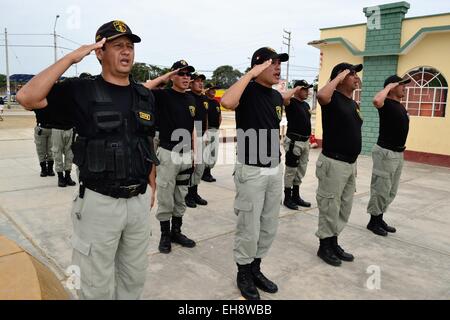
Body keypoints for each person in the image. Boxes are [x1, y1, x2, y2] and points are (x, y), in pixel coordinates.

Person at [17, 20, 158, 300]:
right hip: (99, 204)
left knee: (134, 277)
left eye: (129, 46)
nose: (126, 51)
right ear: (99, 52)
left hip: (139, 201)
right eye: (118, 46)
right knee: (94, 283)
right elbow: (27, 97)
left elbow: (146, 140)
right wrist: (71, 57)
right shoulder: (80, 91)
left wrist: (152, 184)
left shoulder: (144, 95)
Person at [221, 47, 288, 300]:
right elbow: (227, 102)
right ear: (258, 66)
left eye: (280, 64)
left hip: (274, 167)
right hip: (251, 170)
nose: (278, 68)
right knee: (249, 225)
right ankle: (244, 272)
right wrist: (250, 74)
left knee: (269, 224)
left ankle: (256, 268)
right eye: (273, 64)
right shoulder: (246, 90)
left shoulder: (276, 97)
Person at [143, 60, 197, 254]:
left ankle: (176, 232)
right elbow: (141, 89)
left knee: (180, 196)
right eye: (181, 73)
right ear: (172, 76)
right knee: (166, 196)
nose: (186, 77)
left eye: (188, 74)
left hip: (186, 154)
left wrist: (193, 153)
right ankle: (165, 235)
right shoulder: (162, 95)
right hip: (168, 153)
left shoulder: (191, 99)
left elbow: (191, 129)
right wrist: (165, 75)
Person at [315, 62, 363, 267]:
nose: (356, 77)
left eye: (355, 74)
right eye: (351, 74)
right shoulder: (331, 98)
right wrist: (338, 75)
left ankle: (334, 241)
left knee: (343, 207)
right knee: (329, 206)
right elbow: (321, 96)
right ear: (340, 77)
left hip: (350, 164)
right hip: (333, 163)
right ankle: (324, 245)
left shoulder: (352, 103)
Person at [366, 75, 411, 236]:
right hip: (385, 152)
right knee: (381, 188)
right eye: (401, 85)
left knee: (390, 190)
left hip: (398, 153)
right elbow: (376, 101)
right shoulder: (385, 104)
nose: (404, 87)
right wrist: (388, 87)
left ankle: (380, 218)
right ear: (392, 87)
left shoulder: (399, 105)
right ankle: (373, 221)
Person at [281, 80, 313, 210]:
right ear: (298, 90)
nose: (307, 91)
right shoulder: (291, 103)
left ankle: (296, 196)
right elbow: (284, 98)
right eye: (304, 89)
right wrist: (295, 89)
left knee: (301, 170)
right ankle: (287, 198)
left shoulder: (306, 105)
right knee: (291, 170)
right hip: (294, 141)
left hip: (305, 142)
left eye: (308, 89)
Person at [185, 73, 209, 208]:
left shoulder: (204, 98)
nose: (200, 83)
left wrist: (205, 133)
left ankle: (194, 193)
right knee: (191, 167)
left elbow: (205, 116)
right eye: (197, 81)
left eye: (202, 81)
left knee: (200, 167)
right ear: (191, 83)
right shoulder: (188, 97)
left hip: (201, 135)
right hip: (189, 136)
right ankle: (188, 194)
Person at [202, 84, 222, 183]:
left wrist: (218, 127)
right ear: (207, 91)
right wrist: (206, 131)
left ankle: (208, 172)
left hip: (215, 130)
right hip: (208, 130)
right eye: (212, 89)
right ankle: (205, 173)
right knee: (207, 153)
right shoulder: (204, 101)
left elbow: (219, 115)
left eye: (215, 90)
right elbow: (205, 117)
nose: (214, 91)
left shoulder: (216, 102)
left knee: (213, 153)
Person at [33, 107, 55, 177]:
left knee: (51, 151)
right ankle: (43, 169)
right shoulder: (38, 103)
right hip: (41, 128)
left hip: (52, 129)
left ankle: (50, 168)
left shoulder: (53, 102)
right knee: (41, 150)